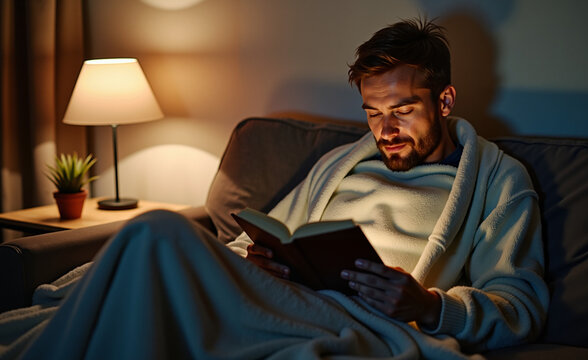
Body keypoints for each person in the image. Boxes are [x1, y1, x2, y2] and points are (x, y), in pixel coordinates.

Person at [2, 18, 548, 359]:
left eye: (403, 110)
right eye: (373, 112)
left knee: (157, 233)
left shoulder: (498, 181)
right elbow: (259, 238)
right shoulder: (340, 162)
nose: (385, 130)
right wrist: (257, 261)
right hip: (279, 297)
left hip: (359, 320)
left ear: (445, 101)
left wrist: (428, 305)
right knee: (154, 242)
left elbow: (520, 305)